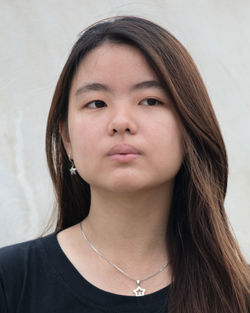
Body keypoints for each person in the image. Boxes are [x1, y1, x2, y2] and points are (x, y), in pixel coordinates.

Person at [0, 16, 249, 313]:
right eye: (97, 103)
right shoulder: (11, 280)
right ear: (66, 138)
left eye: (150, 101)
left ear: (188, 127)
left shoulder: (237, 293)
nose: (121, 122)